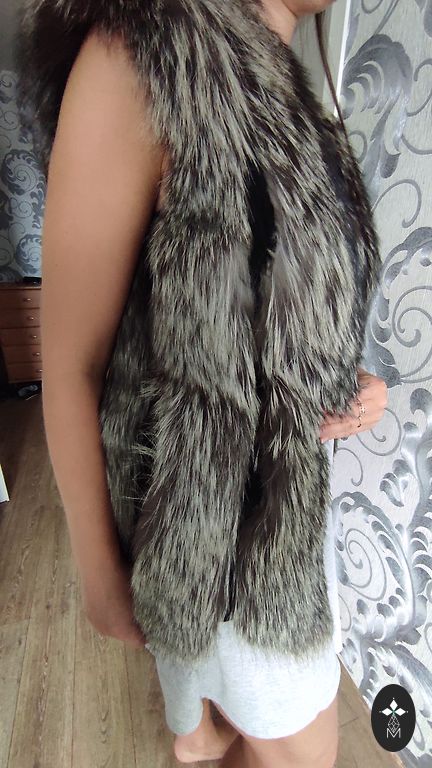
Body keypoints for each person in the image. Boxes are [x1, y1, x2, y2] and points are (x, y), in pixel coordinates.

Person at [19, 0, 387, 766]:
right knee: (307, 754)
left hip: (288, 520)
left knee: (223, 722)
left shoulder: (288, 88)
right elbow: (72, 362)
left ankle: (198, 734)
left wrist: (342, 382)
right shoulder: (142, 54)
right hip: (210, 543)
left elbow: (263, 305)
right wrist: (99, 573)